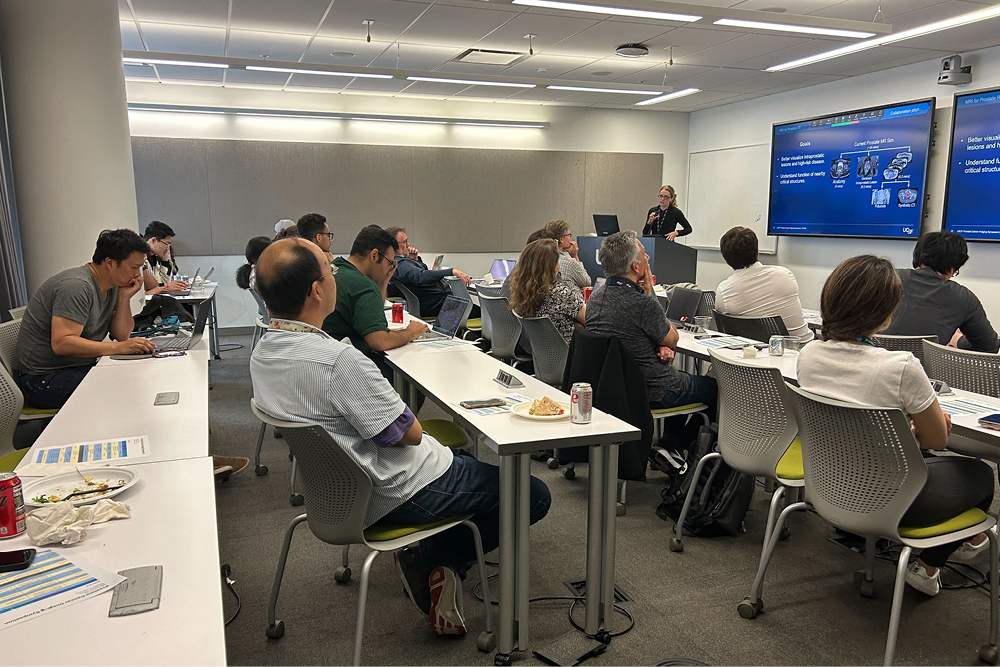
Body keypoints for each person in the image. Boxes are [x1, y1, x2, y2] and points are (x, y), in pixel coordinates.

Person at [251, 237, 551, 634]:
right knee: (532, 493)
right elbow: (408, 433)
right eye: (330, 268)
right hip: (398, 490)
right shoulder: (338, 363)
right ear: (317, 290)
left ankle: (433, 556)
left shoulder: (263, 354)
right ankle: (436, 561)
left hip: (338, 493)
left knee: (467, 462)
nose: (337, 273)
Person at [797, 254, 993, 596]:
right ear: (886, 312)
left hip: (829, 487)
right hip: (891, 498)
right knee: (980, 476)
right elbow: (936, 439)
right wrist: (919, 427)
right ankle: (927, 568)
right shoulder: (901, 366)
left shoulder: (809, 355)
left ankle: (968, 535)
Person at [13, 229, 158, 408]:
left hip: (73, 368)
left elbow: (121, 335)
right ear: (110, 263)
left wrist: (124, 298)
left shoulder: (112, 286)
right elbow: (62, 343)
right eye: (134, 267)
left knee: (134, 375)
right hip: (41, 379)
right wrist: (118, 348)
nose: (138, 275)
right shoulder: (76, 286)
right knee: (125, 387)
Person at [586, 230, 717, 416]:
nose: (647, 257)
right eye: (643, 255)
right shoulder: (643, 303)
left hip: (613, 389)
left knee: (685, 377)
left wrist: (659, 342)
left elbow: (634, 335)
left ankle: (674, 441)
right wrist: (650, 294)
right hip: (655, 389)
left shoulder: (595, 298)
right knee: (718, 388)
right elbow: (672, 339)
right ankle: (688, 440)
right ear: (636, 268)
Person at [322, 226, 429, 379]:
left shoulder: (337, 268)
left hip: (327, 359)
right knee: (408, 376)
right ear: (374, 255)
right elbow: (379, 341)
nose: (390, 268)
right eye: (389, 263)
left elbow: (373, 310)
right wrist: (411, 332)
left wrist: (384, 281)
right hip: (347, 368)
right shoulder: (363, 285)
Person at [883, 231, 999, 352]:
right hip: (920, 370)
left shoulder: (885, 278)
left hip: (870, 366)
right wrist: (957, 340)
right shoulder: (963, 297)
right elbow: (989, 346)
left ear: (918, 257)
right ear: (951, 270)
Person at [715, 226, 813, 343]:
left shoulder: (724, 292)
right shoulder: (784, 275)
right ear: (757, 252)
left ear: (725, 260)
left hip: (755, 355)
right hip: (799, 351)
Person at [509, 239, 585, 345]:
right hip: (569, 355)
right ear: (552, 266)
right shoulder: (560, 293)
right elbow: (590, 320)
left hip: (541, 354)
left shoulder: (522, 291)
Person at [385, 227, 471, 318]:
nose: (408, 244)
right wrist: (452, 271)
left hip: (439, 304)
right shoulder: (400, 264)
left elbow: (420, 273)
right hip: (438, 307)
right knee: (477, 311)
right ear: (394, 246)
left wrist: (414, 260)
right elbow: (421, 276)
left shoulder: (399, 262)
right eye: (405, 242)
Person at [543, 220, 591, 295]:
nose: (570, 238)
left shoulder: (541, 259)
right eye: (569, 235)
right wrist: (575, 256)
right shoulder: (569, 263)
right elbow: (586, 281)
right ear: (561, 239)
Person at [141, 221, 187, 295]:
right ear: (153, 240)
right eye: (166, 244)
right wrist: (167, 287)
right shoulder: (140, 258)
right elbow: (153, 289)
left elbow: (161, 283)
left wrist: (165, 261)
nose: (167, 248)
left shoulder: (155, 257)